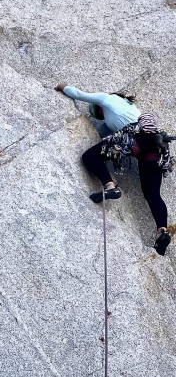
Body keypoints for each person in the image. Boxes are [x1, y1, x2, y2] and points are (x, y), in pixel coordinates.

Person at [55, 83, 171, 256]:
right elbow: (102, 133)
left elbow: (78, 93)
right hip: (156, 147)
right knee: (152, 194)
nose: (102, 117)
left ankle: (110, 187)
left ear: (99, 108)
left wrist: (62, 87)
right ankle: (162, 231)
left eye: (99, 114)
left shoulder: (106, 99)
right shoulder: (130, 110)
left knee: (90, 157)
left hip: (136, 139)